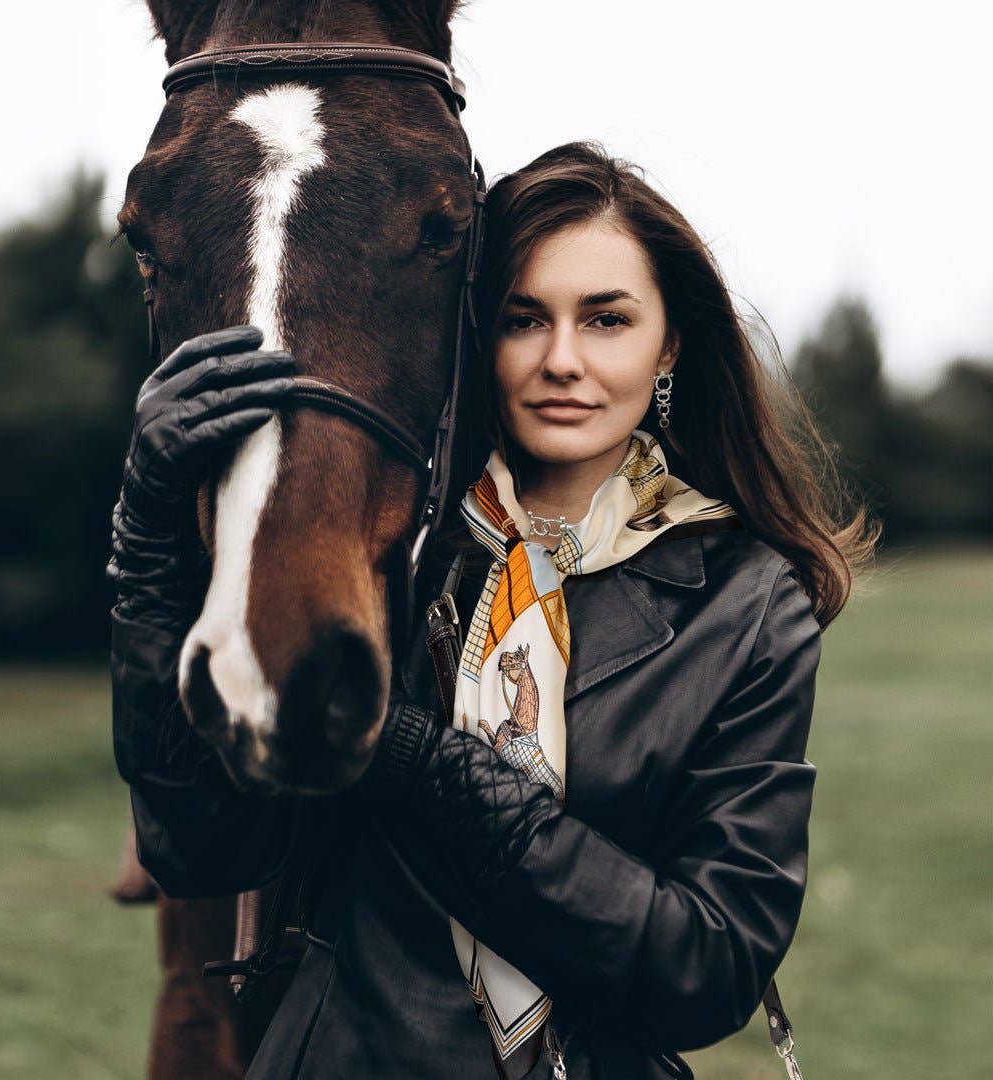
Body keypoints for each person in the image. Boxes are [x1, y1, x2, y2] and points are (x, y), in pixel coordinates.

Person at [109, 141, 878, 1079]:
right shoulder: (384, 550)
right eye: (525, 319)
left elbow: (704, 968)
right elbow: (199, 848)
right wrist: (148, 534)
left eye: (606, 319)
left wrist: (413, 758)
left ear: (667, 342)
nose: (563, 360)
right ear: (479, 335)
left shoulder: (749, 603)